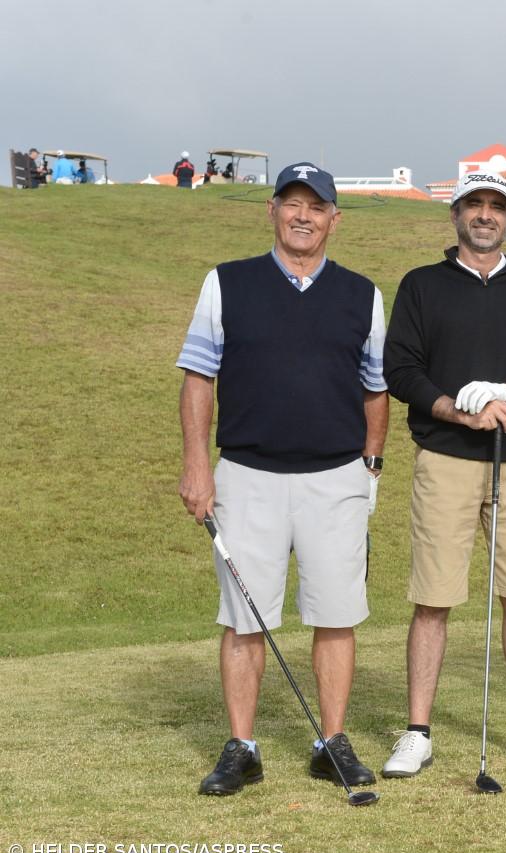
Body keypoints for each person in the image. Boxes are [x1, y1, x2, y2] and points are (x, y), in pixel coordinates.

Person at [177, 162, 389, 796]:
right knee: (244, 618)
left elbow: (376, 389)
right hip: (246, 475)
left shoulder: (362, 293)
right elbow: (197, 380)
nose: (303, 215)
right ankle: (242, 746)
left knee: (337, 614)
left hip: (334, 477)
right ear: (271, 210)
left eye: (316, 206)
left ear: (334, 219)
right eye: (292, 203)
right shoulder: (226, 283)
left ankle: (333, 742)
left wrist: (370, 464)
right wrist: (196, 467)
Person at [380, 171, 506, 777]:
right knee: (433, 598)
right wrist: (460, 409)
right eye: (475, 205)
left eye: (497, 207)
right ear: (456, 215)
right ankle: (418, 732)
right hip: (445, 459)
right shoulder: (422, 285)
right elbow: (402, 372)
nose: (485, 215)